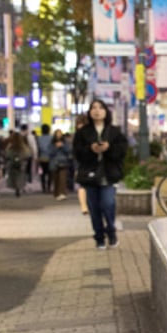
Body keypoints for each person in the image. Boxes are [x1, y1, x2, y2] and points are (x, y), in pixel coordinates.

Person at [73, 98, 127, 248]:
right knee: (94, 208)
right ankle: (99, 237)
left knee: (108, 203)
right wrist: (91, 149)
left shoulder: (114, 131)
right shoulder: (83, 132)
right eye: (93, 108)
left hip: (108, 174)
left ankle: (111, 230)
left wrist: (108, 148)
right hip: (90, 175)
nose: (97, 111)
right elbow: (76, 153)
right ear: (89, 112)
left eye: (100, 108)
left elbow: (122, 150)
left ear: (105, 111)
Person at [3, 130, 32, 197]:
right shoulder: (23, 146)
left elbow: (7, 155)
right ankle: (19, 187)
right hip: (21, 163)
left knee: (14, 175)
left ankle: (16, 187)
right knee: (20, 175)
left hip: (12, 163)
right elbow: (27, 154)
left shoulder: (10, 146)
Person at [49, 129, 70, 200]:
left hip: (63, 162)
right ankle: (56, 193)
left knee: (63, 178)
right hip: (54, 163)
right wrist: (56, 147)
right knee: (56, 179)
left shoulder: (65, 142)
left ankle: (63, 193)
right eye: (57, 133)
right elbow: (50, 152)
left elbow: (68, 150)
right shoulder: (51, 143)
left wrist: (62, 146)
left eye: (60, 133)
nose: (59, 135)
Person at [36, 123, 54, 193]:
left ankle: (43, 187)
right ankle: (49, 187)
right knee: (50, 174)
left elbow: (38, 148)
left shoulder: (39, 138)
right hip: (50, 158)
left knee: (42, 174)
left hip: (42, 158)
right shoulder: (52, 138)